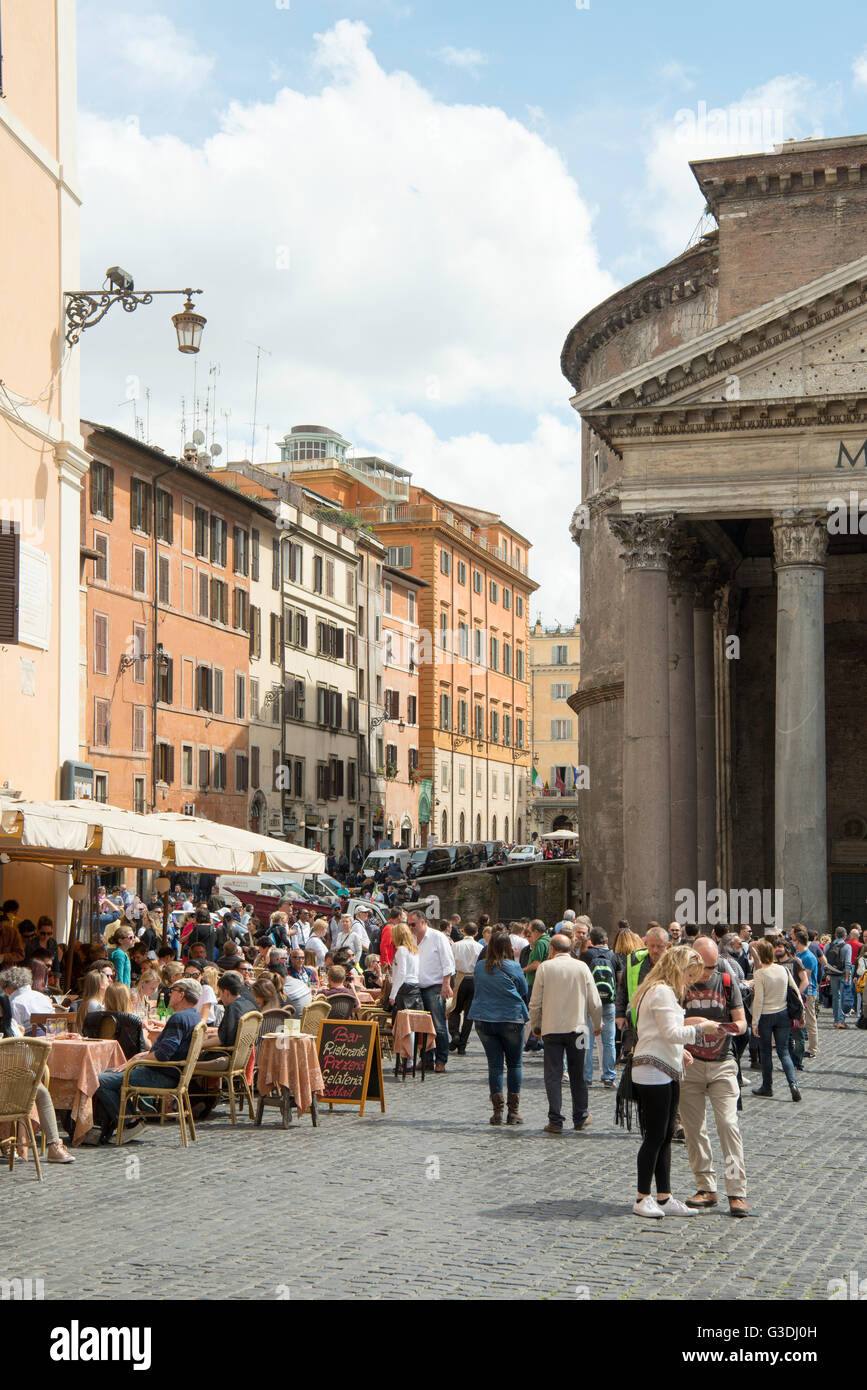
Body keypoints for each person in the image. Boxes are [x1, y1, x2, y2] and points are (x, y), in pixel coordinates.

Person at [626, 945, 722, 1219]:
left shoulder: (654, 990)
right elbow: (670, 1032)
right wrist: (700, 1029)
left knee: (665, 1135)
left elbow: (657, 1032)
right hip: (654, 1070)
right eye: (689, 975)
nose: (690, 982)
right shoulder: (662, 991)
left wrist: (680, 1051)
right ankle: (643, 1196)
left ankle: (664, 1196)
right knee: (655, 1136)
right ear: (678, 970)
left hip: (662, 1066)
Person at [678, 937, 749, 1218]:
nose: (707, 973)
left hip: (722, 1064)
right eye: (702, 966)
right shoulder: (679, 985)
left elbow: (742, 1022)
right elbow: (667, 1021)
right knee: (694, 1131)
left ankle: (737, 1191)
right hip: (690, 1065)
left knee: (728, 1125)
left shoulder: (727, 982)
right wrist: (698, 1024)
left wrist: (729, 1027)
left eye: (712, 966)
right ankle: (706, 1186)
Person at [87, 978, 204, 1144]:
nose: (169, 993)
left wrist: (137, 1060)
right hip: (172, 1073)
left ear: (182, 995)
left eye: (174, 990)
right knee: (107, 1074)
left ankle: (131, 1122)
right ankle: (119, 1122)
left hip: (163, 1073)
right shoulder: (194, 1016)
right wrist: (140, 1057)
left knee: (97, 1080)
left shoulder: (179, 1018)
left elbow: (163, 1055)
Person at [529, 933, 602, 1133]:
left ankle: (555, 1120)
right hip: (578, 1030)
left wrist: (535, 1026)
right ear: (570, 948)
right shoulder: (582, 967)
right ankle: (581, 1116)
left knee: (553, 1074)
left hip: (552, 1030)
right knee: (578, 1074)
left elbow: (535, 1002)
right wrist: (597, 1023)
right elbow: (594, 1001)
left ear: (552, 949)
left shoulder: (545, 967)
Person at [468, 927, 530, 1125]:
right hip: (511, 1018)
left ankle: (497, 1111)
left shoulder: (480, 967)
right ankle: (513, 1111)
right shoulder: (513, 967)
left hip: (485, 1019)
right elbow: (523, 990)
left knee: (494, 1065)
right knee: (514, 1064)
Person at [751, 938, 801, 1101]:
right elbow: (795, 990)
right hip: (783, 1014)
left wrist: (754, 1022)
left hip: (766, 1015)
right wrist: (801, 1013)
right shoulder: (782, 970)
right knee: (784, 1051)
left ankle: (767, 1086)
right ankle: (793, 1084)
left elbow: (759, 1000)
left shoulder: (760, 973)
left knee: (766, 1053)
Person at [408, 908, 455, 1074]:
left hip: (434, 986)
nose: (411, 927)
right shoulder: (411, 938)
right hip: (417, 987)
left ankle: (441, 1059)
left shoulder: (437, 937)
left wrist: (446, 984)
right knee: (421, 1026)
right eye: (408, 925)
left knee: (438, 1024)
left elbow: (448, 962)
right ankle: (426, 1058)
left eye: (413, 924)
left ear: (422, 922)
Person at [580, 925, 619, 1088]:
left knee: (587, 1041)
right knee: (608, 1041)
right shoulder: (614, 956)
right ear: (606, 940)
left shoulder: (586, 955)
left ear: (591, 941)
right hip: (609, 1003)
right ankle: (608, 1076)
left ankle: (587, 1077)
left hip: (589, 1003)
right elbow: (619, 979)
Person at [615, 924, 669, 1033]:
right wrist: (620, 1014)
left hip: (666, 1022)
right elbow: (623, 989)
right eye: (652, 945)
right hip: (639, 1023)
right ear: (646, 944)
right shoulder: (634, 962)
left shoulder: (674, 964)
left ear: (667, 945)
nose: (655, 950)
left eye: (660, 946)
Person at [449, 923, 483, 1055]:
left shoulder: (456, 946)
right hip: (475, 978)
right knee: (469, 1013)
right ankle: (462, 1044)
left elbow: (450, 963)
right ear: (476, 933)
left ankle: (455, 1034)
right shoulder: (480, 947)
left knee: (455, 1008)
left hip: (460, 976)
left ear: (463, 932)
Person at [791, 926, 819, 1059]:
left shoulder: (808, 957)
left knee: (810, 1021)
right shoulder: (800, 955)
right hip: (803, 992)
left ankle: (813, 1048)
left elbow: (805, 978)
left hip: (808, 992)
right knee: (803, 1021)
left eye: (793, 940)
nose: (792, 942)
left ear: (797, 941)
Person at [0, 966, 54, 1032]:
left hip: (29, 1040)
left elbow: (16, 1031)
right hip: (53, 1037)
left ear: (9, 987)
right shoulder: (44, 997)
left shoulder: (15, 1003)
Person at [389, 922, 422, 1015]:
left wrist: (393, 994)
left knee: (402, 1022)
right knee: (412, 1021)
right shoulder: (414, 950)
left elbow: (401, 973)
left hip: (404, 987)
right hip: (415, 986)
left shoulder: (401, 950)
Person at [824, 926, 853, 1028]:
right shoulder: (847, 947)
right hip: (842, 974)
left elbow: (825, 961)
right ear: (845, 936)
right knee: (843, 997)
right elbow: (848, 963)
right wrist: (847, 977)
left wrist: (827, 973)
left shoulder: (828, 946)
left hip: (832, 974)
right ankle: (841, 1020)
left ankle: (836, 1020)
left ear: (835, 935)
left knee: (836, 997)